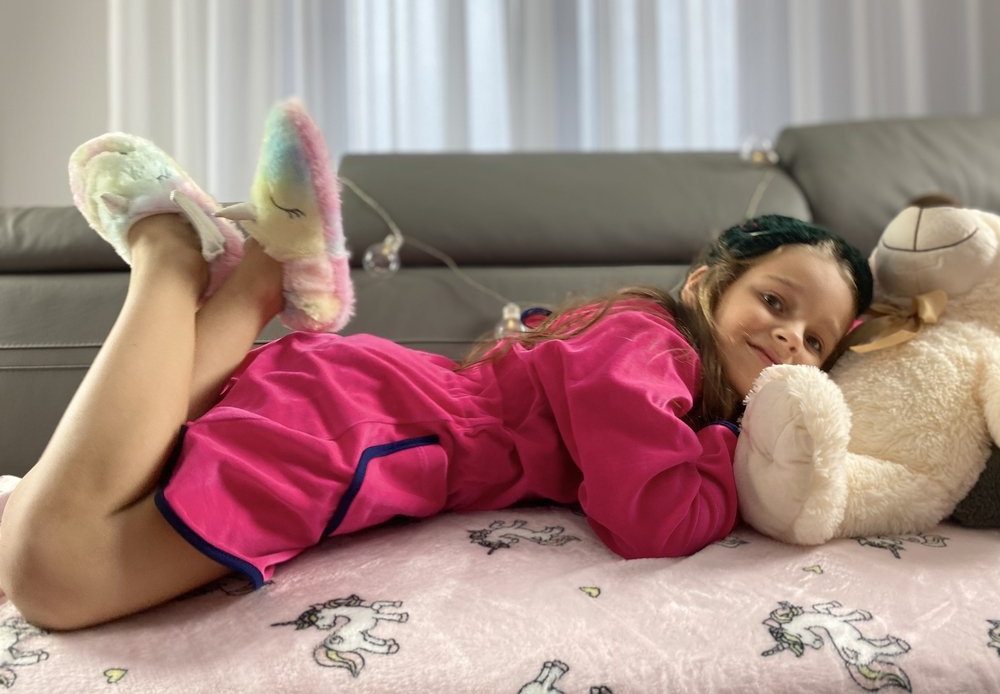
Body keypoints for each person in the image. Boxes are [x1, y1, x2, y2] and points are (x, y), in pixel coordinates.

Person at [0, 102, 873, 632]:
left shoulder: (646, 346)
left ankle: (261, 276)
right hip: (360, 433)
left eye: (817, 341)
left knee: (58, 504)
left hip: (355, 397)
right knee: (57, 573)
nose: (789, 338)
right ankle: (167, 254)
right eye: (775, 301)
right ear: (706, 284)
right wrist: (734, 454)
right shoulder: (651, 345)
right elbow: (655, 515)